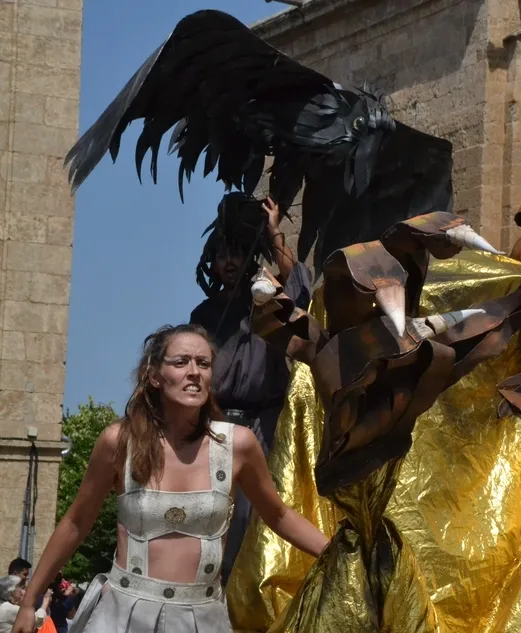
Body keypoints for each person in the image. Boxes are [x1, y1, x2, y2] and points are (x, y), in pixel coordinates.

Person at [10, 324, 329, 633]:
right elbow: (77, 522)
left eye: (203, 363)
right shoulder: (118, 442)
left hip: (203, 618)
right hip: (124, 613)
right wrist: (29, 603)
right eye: (181, 362)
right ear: (154, 377)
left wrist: (336, 552)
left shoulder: (238, 445)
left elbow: (278, 514)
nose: (194, 372)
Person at [189, 193, 312, 584]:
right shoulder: (204, 314)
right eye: (222, 254)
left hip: (263, 428)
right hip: (215, 423)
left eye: (238, 253)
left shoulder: (270, 300)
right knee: (208, 518)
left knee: (253, 521)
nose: (228, 262)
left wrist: (275, 232)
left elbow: (301, 286)